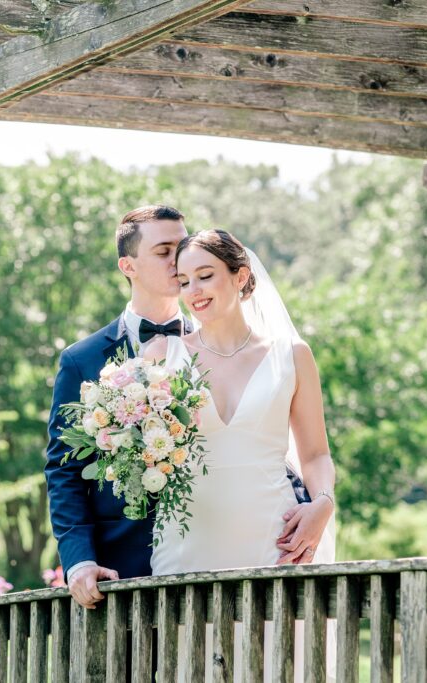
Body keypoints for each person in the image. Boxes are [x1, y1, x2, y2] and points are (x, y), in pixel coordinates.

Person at [45, 208, 314, 612]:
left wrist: (305, 504)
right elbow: (64, 471)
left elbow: (257, 440)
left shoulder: (219, 340)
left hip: (241, 543)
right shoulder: (82, 360)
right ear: (128, 265)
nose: (179, 260)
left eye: (183, 245)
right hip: (123, 569)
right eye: (165, 250)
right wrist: (80, 560)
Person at [144, 229, 336, 681]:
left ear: (240, 276)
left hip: (272, 540)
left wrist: (323, 503)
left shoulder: (292, 356)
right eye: (184, 280)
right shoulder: (160, 355)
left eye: (205, 276)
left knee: (274, 665)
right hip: (186, 543)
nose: (193, 291)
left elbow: (315, 454)